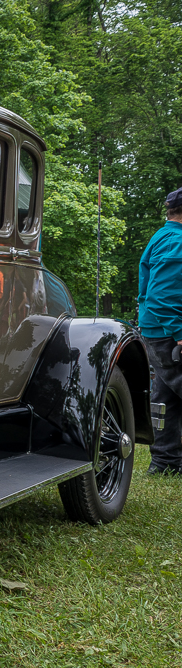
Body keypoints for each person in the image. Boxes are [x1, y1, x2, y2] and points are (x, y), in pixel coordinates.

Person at [138, 186, 182, 475]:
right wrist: (179, 332)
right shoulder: (176, 240)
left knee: (165, 396)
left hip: (157, 328)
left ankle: (165, 463)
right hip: (169, 331)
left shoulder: (162, 236)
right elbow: (161, 295)